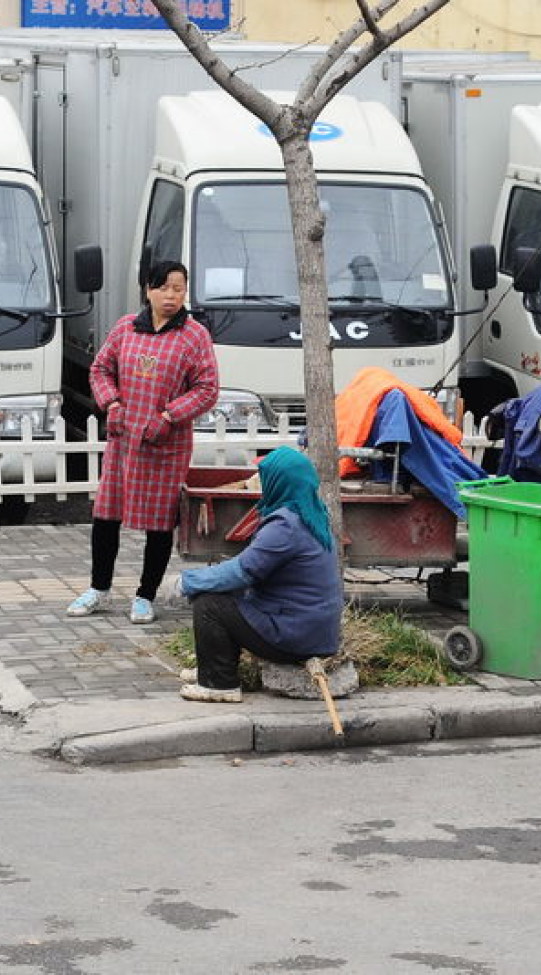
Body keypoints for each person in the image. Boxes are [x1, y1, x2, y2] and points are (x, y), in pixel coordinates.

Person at [67, 260, 219, 624]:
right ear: (148, 290)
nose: (171, 295)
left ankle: (144, 596)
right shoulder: (125, 328)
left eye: (179, 288)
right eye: (164, 287)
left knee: (159, 521)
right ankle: (98, 589)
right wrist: (112, 403)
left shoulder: (194, 336)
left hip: (166, 445)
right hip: (123, 440)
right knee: (106, 515)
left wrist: (169, 416)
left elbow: (207, 388)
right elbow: (100, 369)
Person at [175, 446, 344, 703]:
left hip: (293, 635)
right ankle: (213, 669)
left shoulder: (286, 525)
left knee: (209, 602)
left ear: (279, 481)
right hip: (313, 632)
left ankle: (218, 684)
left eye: (263, 476)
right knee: (225, 594)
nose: (259, 481)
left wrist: (187, 582)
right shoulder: (312, 512)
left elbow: (242, 571)